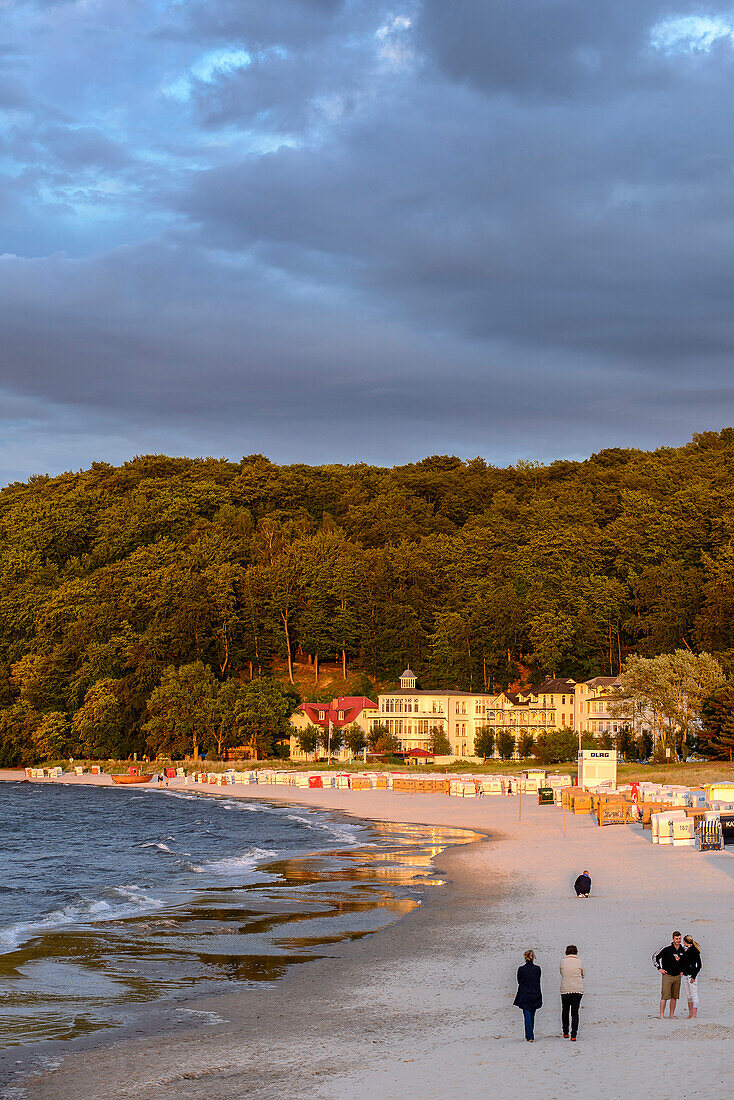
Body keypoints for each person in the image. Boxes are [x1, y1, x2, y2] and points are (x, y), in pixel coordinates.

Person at [513, 949, 542, 1042]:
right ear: (533, 957)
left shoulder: (521, 969)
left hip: (524, 993)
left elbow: (519, 981)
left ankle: (529, 1035)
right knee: (532, 1015)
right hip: (535, 993)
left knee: (527, 1015)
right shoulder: (537, 969)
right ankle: (530, 1034)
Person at [655, 931, 685, 1018]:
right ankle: (661, 1015)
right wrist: (659, 968)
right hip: (667, 976)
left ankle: (671, 1015)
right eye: (676, 939)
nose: (678, 940)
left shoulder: (682, 949)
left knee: (674, 997)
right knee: (664, 996)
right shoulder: (667, 949)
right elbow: (655, 957)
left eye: (679, 938)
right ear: (673, 939)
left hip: (677, 976)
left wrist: (682, 970)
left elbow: (684, 961)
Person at [560, 945, 584, 1040]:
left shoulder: (563, 961)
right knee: (575, 1012)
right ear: (576, 952)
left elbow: (561, 972)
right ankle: (573, 1034)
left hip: (565, 988)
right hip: (577, 989)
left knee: (565, 1011)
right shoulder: (579, 962)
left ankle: (565, 1032)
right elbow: (583, 974)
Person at [681, 936, 702, 1019]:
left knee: (694, 994)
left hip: (691, 975)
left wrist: (693, 976)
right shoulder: (685, 950)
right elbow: (684, 962)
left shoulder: (694, 951)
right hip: (685, 974)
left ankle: (694, 1014)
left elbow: (699, 966)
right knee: (688, 995)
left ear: (685, 941)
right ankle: (690, 1013)